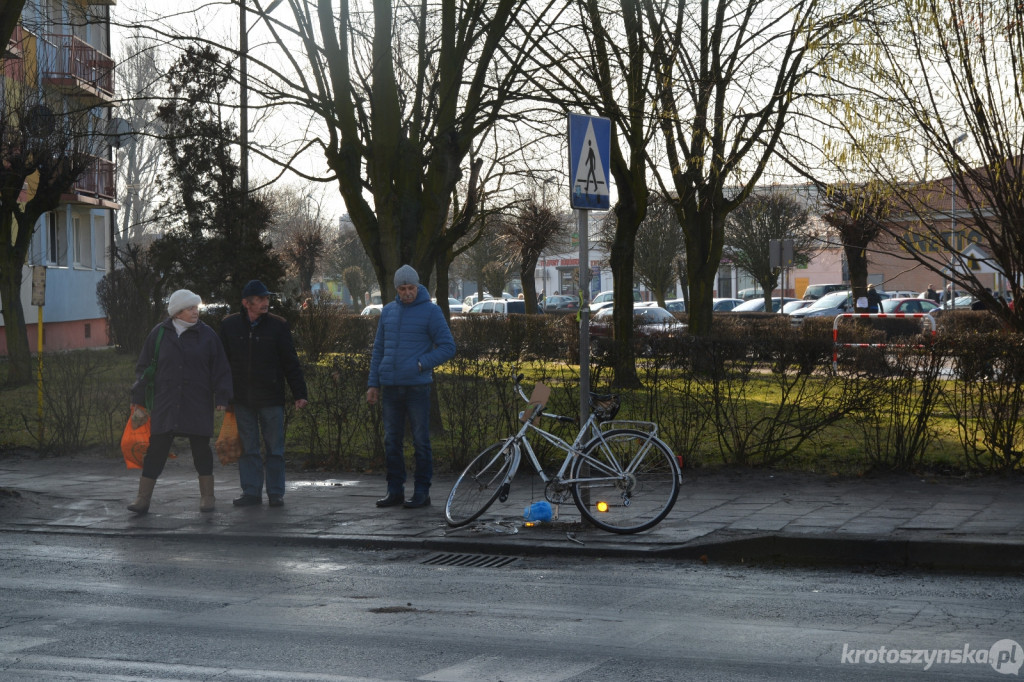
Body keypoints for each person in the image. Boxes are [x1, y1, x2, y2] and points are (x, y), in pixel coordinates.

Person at [127, 289, 232, 515]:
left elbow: (221, 368)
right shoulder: (159, 334)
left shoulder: (207, 335)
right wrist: (138, 398)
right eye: (190, 308)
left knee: (201, 450)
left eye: (196, 307)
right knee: (157, 450)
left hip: (197, 401)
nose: (196, 312)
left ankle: (207, 497)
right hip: (166, 402)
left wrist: (222, 396)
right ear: (177, 312)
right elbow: (144, 368)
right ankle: (142, 499)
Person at [366, 265, 456, 509]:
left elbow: (448, 346)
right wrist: (373, 383)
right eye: (402, 289)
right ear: (396, 289)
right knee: (391, 441)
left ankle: (422, 492)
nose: (407, 293)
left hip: (417, 387)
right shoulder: (389, 312)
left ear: (418, 286)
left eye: (411, 288)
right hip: (390, 386)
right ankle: (394, 490)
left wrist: (421, 364)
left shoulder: (431, 312)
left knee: (420, 441)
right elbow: (379, 349)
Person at [219, 280, 308, 508]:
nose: (265, 303)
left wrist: (300, 393)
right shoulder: (230, 326)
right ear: (246, 303)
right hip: (242, 398)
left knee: (274, 448)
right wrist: (222, 395)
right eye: (260, 299)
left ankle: (276, 493)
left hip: (271, 396)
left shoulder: (278, 326)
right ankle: (251, 492)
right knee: (248, 447)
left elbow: (290, 361)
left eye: (267, 298)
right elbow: (222, 364)